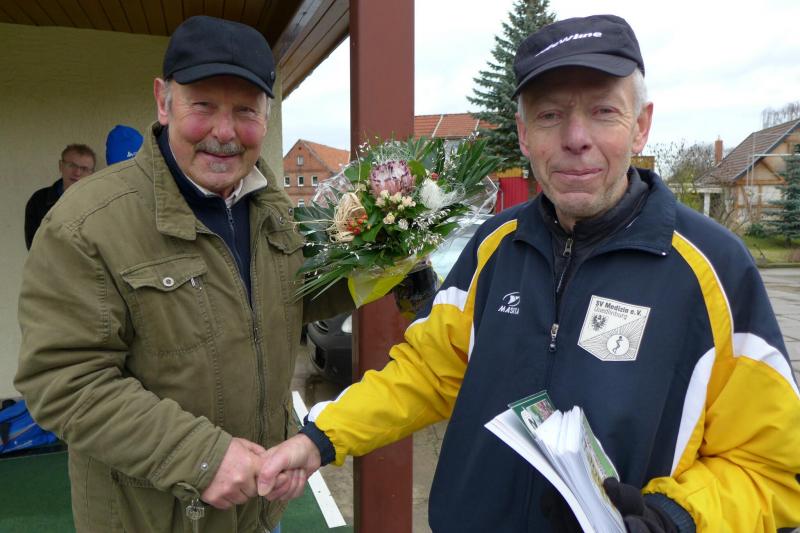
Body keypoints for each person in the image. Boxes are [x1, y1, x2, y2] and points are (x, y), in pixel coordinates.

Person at [256, 14, 800, 532]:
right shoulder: (494, 247)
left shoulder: (713, 271)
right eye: (549, 116)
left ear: (640, 126)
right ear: (522, 134)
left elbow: (773, 472)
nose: (575, 137)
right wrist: (320, 438)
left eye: (603, 111)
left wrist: (674, 518)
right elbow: (425, 374)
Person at [15, 15, 353, 533]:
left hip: (261, 506)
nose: (225, 131)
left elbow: (293, 299)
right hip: (152, 519)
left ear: (266, 115)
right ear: (163, 101)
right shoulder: (85, 224)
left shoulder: (273, 209)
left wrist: (376, 270)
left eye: (245, 110)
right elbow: (63, 380)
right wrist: (201, 457)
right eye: (203, 105)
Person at [24, 143, 96, 249]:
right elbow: (34, 246)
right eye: (72, 165)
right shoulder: (39, 200)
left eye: (84, 169)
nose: (77, 173)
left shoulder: (98, 202)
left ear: (92, 174)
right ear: (61, 166)